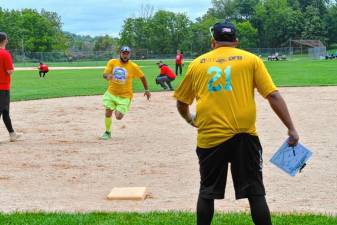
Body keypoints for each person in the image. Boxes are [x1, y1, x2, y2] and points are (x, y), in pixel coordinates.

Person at [174, 21, 299, 225]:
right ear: (236, 41)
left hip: (210, 137)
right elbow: (273, 95)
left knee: (207, 192)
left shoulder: (197, 64)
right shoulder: (251, 60)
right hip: (244, 136)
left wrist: (190, 119)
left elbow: (181, 102)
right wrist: (291, 128)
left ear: (213, 42)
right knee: (255, 193)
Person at [101, 46, 151, 140]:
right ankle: (107, 132)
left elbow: (142, 77)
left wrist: (147, 90)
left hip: (125, 96)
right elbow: (104, 74)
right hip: (111, 93)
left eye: (127, 53)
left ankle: (117, 108)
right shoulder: (112, 62)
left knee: (118, 117)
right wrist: (107, 76)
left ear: (129, 55)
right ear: (120, 53)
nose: (125, 55)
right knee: (108, 112)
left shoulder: (133, 66)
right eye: (123, 53)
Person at [0, 32, 21, 142]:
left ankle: (12, 134)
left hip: (2, 88)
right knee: (3, 110)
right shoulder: (5, 54)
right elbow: (9, 71)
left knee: (5, 112)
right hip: (2, 88)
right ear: (4, 40)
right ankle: (12, 134)